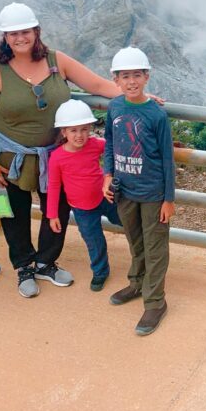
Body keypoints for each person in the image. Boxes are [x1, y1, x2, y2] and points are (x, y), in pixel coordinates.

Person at [0, 2, 129, 299]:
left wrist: (135, 95)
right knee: (11, 213)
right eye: (13, 33)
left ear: (36, 31)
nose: (20, 37)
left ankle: (46, 261)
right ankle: (23, 267)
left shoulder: (57, 61)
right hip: (9, 160)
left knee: (56, 209)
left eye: (26, 31)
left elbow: (96, 84)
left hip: (55, 158)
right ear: (4, 38)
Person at [102, 46, 175, 336]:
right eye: (125, 76)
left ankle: (155, 301)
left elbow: (167, 160)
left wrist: (168, 198)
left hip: (153, 192)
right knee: (135, 240)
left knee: (155, 246)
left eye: (136, 75)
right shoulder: (115, 107)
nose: (131, 82)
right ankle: (136, 282)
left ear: (146, 77)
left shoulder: (156, 115)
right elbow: (109, 141)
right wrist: (108, 175)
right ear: (116, 80)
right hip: (124, 189)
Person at [46, 99, 121, 292]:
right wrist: (52, 214)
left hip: (105, 197)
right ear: (63, 132)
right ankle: (100, 272)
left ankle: (143, 255)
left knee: (128, 221)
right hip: (82, 209)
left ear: (90, 129)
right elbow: (54, 186)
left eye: (84, 129)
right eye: (73, 130)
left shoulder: (95, 145)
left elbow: (113, 149)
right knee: (94, 241)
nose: (79, 135)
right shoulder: (57, 157)